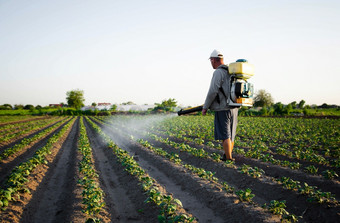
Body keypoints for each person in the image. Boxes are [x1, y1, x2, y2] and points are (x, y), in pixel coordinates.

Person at [202, 49, 239, 161]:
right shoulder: (231, 71)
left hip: (223, 107)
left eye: (211, 61)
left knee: (225, 134)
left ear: (213, 60)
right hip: (234, 107)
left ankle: (228, 158)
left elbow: (213, 91)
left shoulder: (218, 72)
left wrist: (205, 107)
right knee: (231, 134)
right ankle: (227, 155)